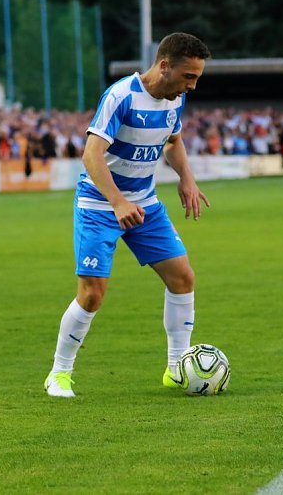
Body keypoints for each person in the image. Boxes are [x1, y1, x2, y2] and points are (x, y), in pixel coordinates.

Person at [44, 32, 212, 398]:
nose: (192, 86)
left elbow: (174, 141)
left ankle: (176, 367)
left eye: (197, 78)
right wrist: (118, 202)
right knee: (92, 295)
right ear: (164, 66)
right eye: (188, 76)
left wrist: (187, 179)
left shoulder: (174, 100)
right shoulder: (121, 96)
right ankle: (59, 373)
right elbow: (91, 154)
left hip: (145, 204)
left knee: (183, 277)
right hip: (100, 205)